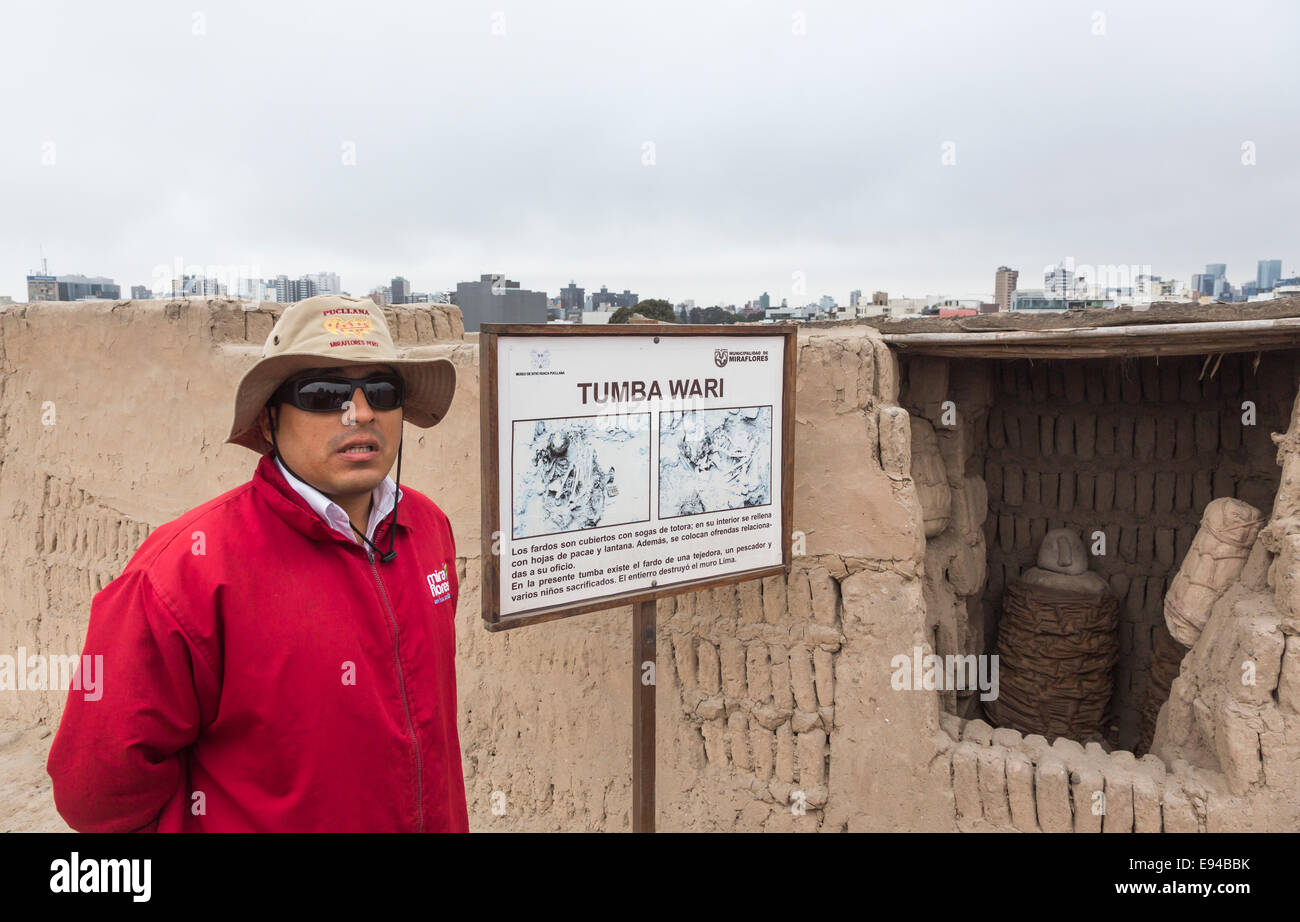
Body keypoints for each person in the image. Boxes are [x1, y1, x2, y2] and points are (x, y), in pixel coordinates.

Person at [46, 294, 469, 832]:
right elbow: (97, 792)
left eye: (382, 391)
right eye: (323, 393)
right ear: (269, 421)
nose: (360, 412)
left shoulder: (426, 528)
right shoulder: (185, 572)